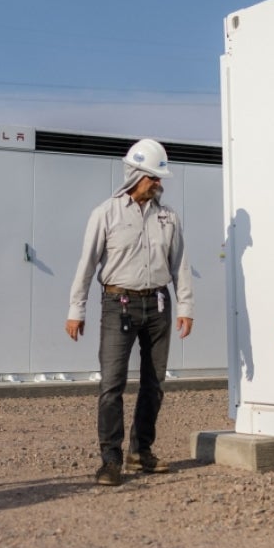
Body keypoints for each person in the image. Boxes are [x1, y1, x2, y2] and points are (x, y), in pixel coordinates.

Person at [66, 138, 194, 486]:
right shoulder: (105, 213)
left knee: (154, 384)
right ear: (136, 175)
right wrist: (76, 310)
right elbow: (87, 264)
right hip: (117, 305)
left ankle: (142, 452)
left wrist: (186, 306)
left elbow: (180, 263)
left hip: (158, 305)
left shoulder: (169, 218)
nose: (159, 183)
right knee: (112, 385)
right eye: (154, 177)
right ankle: (111, 460)